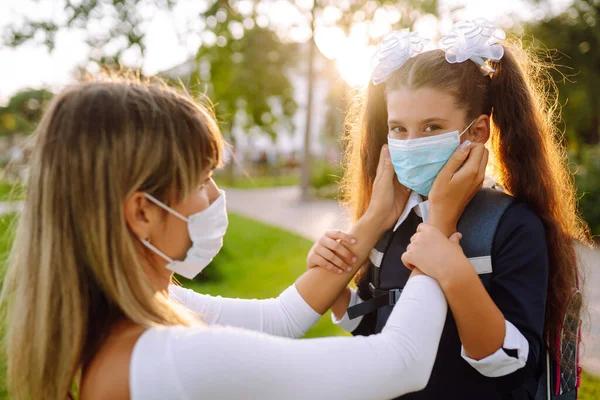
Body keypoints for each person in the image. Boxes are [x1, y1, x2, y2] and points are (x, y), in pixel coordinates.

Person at [0, 76, 486, 400]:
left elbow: (279, 318)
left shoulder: (128, 313)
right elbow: (398, 364)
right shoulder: (169, 358)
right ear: (143, 213)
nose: (216, 196)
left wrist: (378, 216)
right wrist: (439, 228)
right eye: (200, 181)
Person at [309, 20, 591, 400]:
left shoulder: (512, 226)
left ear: (475, 132)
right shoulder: (394, 220)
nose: (410, 144)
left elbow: (512, 367)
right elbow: (371, 324)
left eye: (431, 127)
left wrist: (452, 270)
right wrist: (336, 276)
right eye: (399, 128)